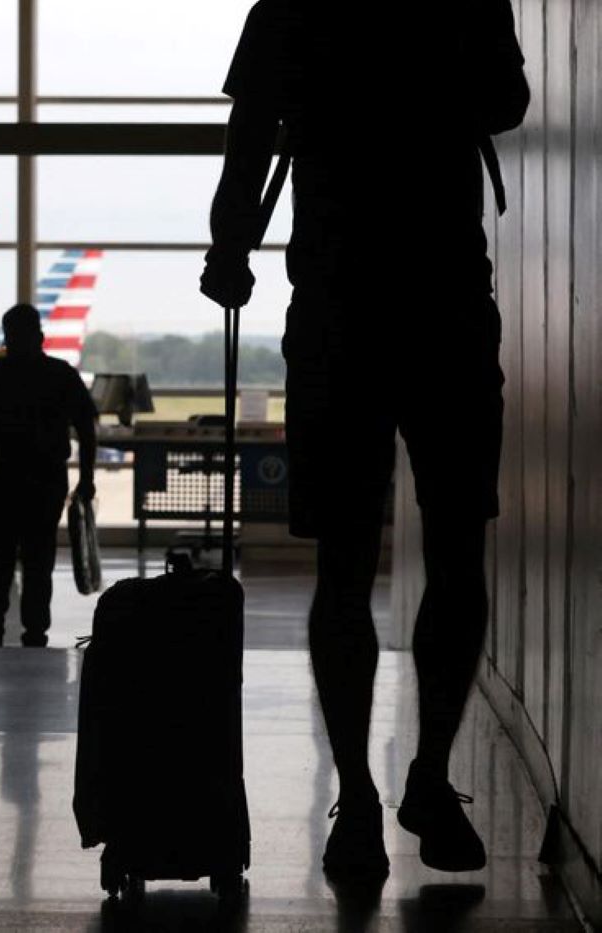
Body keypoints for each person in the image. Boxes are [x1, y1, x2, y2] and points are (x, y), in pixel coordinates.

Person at [201, 1, 529, 882]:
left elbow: (250, 133)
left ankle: (357, 794)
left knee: (344, 566)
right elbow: (507, 101)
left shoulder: (291, 9)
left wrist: (230, 244)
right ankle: (419, 777)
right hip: (446, 303)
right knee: (456, 551)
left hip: (339, 311)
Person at [0, 304, 97, 647]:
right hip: (46, 481)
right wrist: (86, 478)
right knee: (40, 558)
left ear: (6, 338)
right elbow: (86, 429)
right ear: (40, 337)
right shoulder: (62, 376)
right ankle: (35, 628)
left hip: (0, 481)